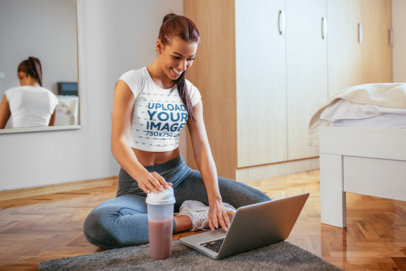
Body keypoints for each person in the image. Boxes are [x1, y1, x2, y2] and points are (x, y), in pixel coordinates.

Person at [83, 13, 270, 248]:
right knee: (99, 223)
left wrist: (215, 200)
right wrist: (142, 175)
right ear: (159, 46)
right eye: (177, 57)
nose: (182, 66)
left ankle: (177, 215)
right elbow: (118, 141)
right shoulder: (132, 82)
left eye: (190, 59)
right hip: (137, 187)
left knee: (263, 205)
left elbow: (201, 149)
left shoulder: (191, 93)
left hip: (180, 178)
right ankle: (191, 218)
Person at [0, 56, 58, 129]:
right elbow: (50, 131)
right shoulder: (51, 96)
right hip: (44, 140)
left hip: (18, 140)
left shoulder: (11, 93)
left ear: (20, 74)